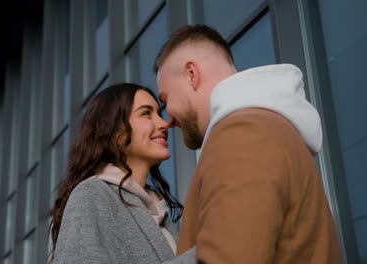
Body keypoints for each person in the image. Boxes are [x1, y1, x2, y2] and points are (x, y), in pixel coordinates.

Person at [154, 24, 342, 263]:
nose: (168, 120)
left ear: (192, 74)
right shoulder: (264, 129)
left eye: (165, 99)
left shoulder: (241, 132)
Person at [48, 83, 195, 263]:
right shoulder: (91, 193)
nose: (164, 123)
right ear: (112, 130)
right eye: (146, 113)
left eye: (159, 113)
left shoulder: (156, 209)